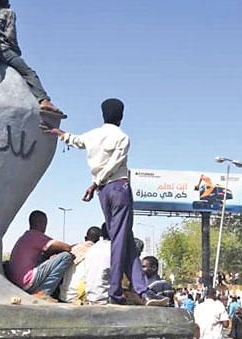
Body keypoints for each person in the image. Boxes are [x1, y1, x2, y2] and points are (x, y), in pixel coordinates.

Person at [43, 99, 167, 306]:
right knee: (119, 243)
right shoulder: (122, 137)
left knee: (125, 239)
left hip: (103, 193)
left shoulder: (93, 135)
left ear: (103, 115)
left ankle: (143, 291)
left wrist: (59, 133)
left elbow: (76, 140)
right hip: (119, 188)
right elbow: (115, 163)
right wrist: (96, 182)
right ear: (121, 116)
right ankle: (116, 292)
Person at [0, 0, 63, 116]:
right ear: (8, 4)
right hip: (5, 50)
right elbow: (10, 34)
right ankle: (44, 100)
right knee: (29, 73)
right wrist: (16, 51)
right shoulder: (9, 13)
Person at [8, 210, 73, 301]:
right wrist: (75, 247)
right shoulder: (36, 236)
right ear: (40, 223)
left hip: (17, 282)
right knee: (66, 256)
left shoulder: (26, 236)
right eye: (45, 224)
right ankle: (44, 292)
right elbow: (67, 248)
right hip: (27, 281)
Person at [57, 226, 101, 303]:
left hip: (63, 296)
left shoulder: (74, 249)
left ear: (85, 238)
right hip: (77, 298)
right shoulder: (95, 253)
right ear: (99, 240)